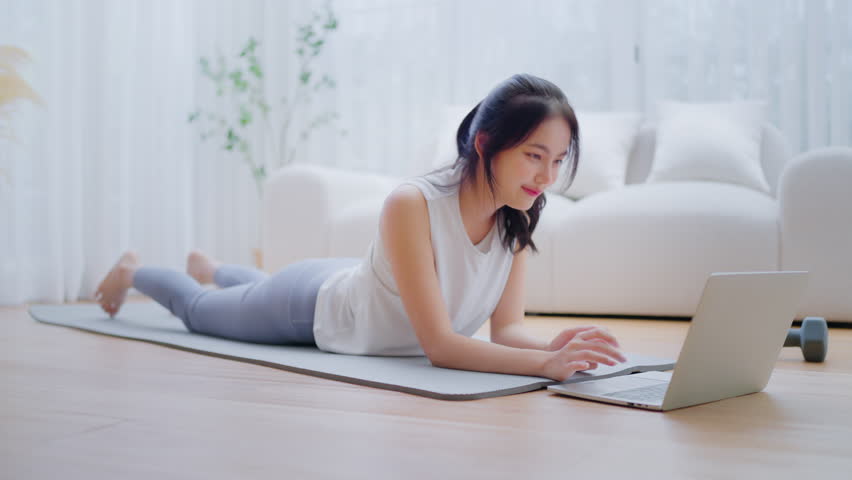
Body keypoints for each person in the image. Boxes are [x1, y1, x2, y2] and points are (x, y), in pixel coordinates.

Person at [95, 73, 627, 382]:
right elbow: (440, 345)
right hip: (310, 307)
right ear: (486, 143)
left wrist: (547, 346)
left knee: (242, 293)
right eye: (535, 155)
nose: (547, 176)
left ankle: (216, 269)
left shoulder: (519, 215)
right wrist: (543, 368)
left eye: (557, 161)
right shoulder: (412, 203)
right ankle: (135, 271)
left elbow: (506, 331)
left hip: (355, 284)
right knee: (197, 311)